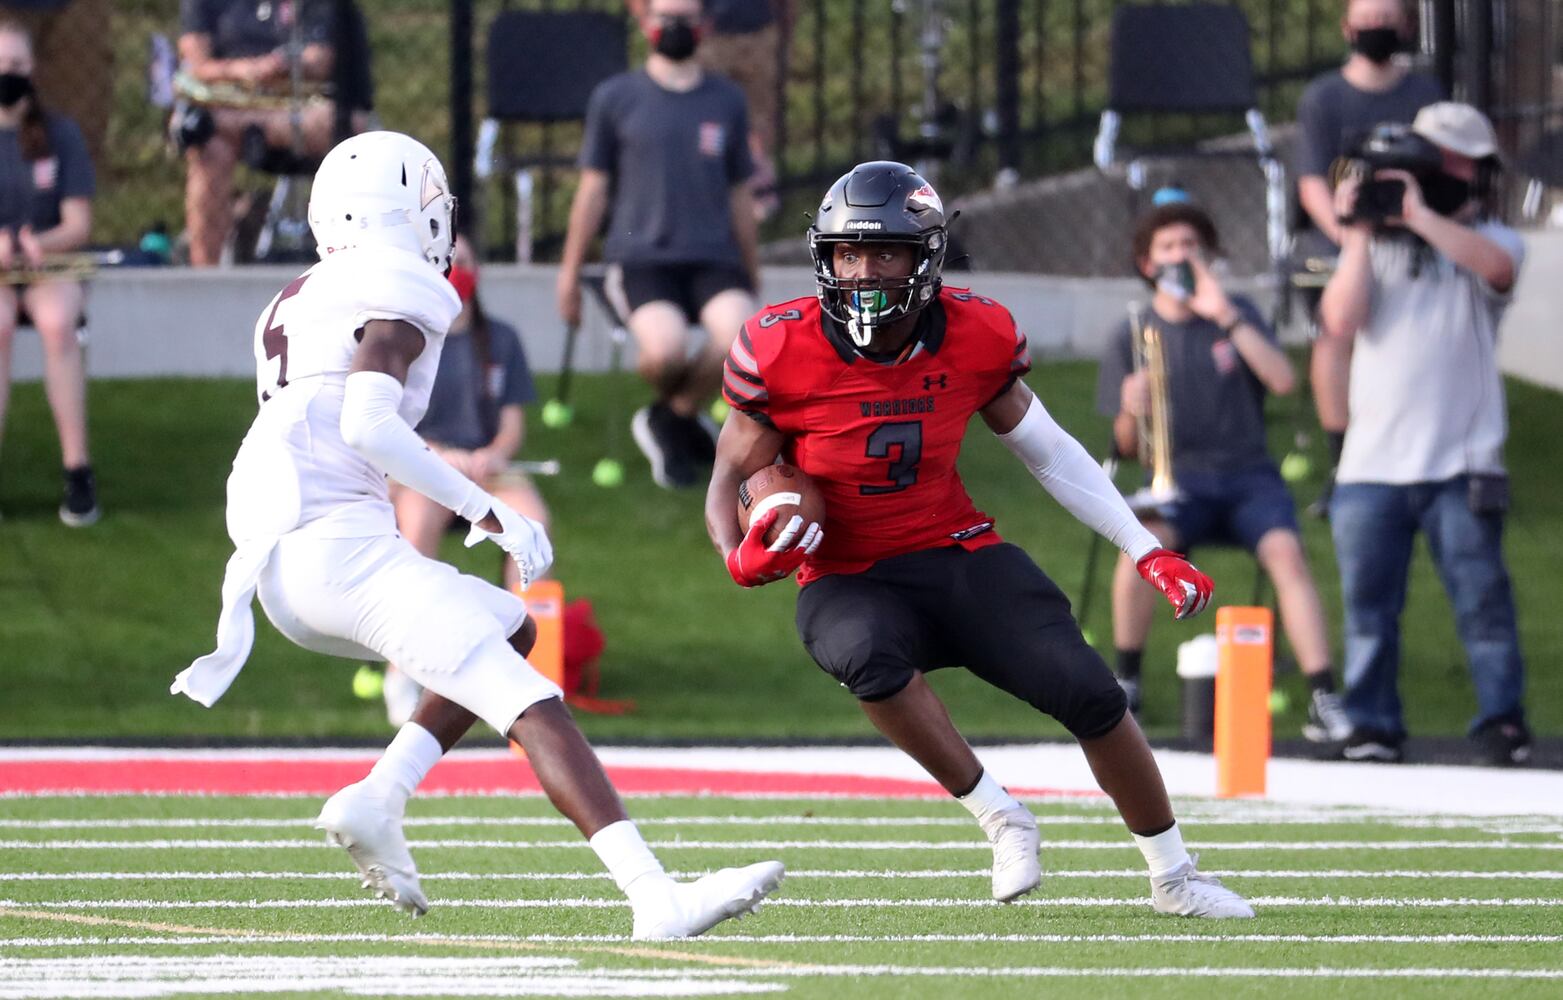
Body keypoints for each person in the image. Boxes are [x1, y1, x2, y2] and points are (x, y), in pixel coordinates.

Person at [174, 131, 784, 937]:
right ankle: (653, 897)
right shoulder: (398, 283)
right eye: (429, 208)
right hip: (337, 553)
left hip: (282, 561)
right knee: (532, 702)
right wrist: (485, 506)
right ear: (397, 216)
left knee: (514, 624)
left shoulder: (301, 293)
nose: (441, 226)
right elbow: (368, 421)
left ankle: (380, 797)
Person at [707, 160, 1254, 918]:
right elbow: (727, 474)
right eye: (847, 253)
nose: (862, 270)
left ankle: (1173, 876)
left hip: (955, 547)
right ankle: (1001, 816)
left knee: (1093, 696)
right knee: (862, 654)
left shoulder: (973, 331)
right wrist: (738, 556)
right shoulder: (779, 346)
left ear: (925, 255)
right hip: (848, 570)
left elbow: (1049, 452)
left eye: (885, 252)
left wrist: (1144, 547)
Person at [1318, 102, 1531, 767]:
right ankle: (1372, 724)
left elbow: (1496, 268)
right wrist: (1357, 229)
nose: (1440, 169)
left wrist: (1419, 214)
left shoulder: (1492, 237)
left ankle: (1501, 723)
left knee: (1482, 606)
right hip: (1370, 465)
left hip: (1461, 464)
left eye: (1454, 159)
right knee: (1368, 611)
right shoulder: (1371, 247)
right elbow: (1340, 321)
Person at [1096, 201, 1350, 744]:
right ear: (1147, 263)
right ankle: (1128, 680)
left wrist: (1224, 315)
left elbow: (1283, 381)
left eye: (1191, 245)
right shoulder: (1131, 332)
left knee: (1286, 552)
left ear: (1208, 255)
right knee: (1140, 546)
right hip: (1178, 483)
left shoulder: (1237, 313)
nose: (1181, 256)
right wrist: (1129, 407)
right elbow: (1125, 445)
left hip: (1247, 478)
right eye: (1169, 247)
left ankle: (1325, 696)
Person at [558, 0, 759, 490]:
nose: (676, 28)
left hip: (714, 258)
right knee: (664, 352)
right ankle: (685, 421)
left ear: (705, 25)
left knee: (743, 340)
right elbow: (592, 189)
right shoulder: (616, 97)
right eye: (666, 17)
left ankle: (669, 417)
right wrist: (569, 272)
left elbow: (740, 194)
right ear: (644, 21)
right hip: (642, 259)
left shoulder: (726, 100)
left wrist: (750, 268)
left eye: (686, 18)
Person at [383, 233, 551, 727]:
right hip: (423, 474)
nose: (458, 270)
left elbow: (512, 423)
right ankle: (402, 672)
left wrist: (491, 455)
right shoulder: (407, 341)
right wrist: (438, 458)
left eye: (467, 262)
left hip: (486, 475)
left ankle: (520, 665)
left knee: (533, 523)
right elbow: (391, 424)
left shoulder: (502, 339)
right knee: (414, 539)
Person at [1293, 0, 1442, 516]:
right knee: (1334, 336)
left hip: (1413, 240)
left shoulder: (1426, 94)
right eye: (1366, 22)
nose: (1376, 30)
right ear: (1346, 29)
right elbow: (1311, 180)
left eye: (1386, 21)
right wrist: (1346, 231)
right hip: (1341, 240)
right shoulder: (1323, 97)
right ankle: (1343, 465)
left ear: (1404, 26)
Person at [178, 0, 368, 267]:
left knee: (327, 121)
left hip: (304, 115)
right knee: (210, 148)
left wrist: (273, 69)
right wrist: (245, 71)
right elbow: (195, 61)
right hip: (235, 120)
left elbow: (319, 60)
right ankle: (205, 274)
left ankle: (347, 263)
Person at [0, 20, 96, 525]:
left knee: (59, 323)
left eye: (15, 66)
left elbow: (78, 222)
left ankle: (77, 470)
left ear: (31, 70)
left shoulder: (60, 133)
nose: (7, 76)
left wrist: (41, 242)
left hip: (48, 267)